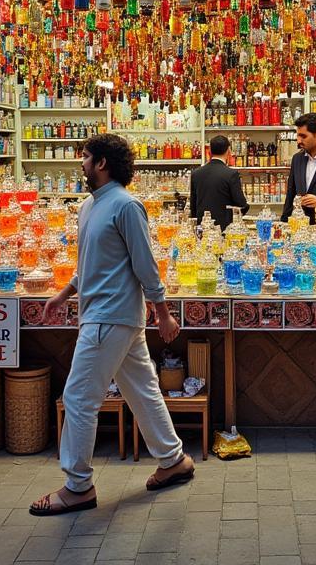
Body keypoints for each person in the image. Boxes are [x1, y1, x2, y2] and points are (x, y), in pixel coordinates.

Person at [33, 134, 195, 515]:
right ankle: (173, 460)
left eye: (86, 156)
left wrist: (163, 311)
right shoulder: (90, 205)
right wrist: (65, 293)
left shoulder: (126, 205)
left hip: (111, 316)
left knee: (78, 398)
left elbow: (144, 263)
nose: (82, 162)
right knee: (141, 391)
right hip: (102, 313)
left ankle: (78, 486)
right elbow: (92, 263)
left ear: (102, 163)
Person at [189, 135, 249, 229]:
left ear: (209, 151)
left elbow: (193, 207)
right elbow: (241, 204)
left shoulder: (196, 173)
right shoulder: (231, 174)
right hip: (224, 229)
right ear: (228, 151)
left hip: (202, 228)